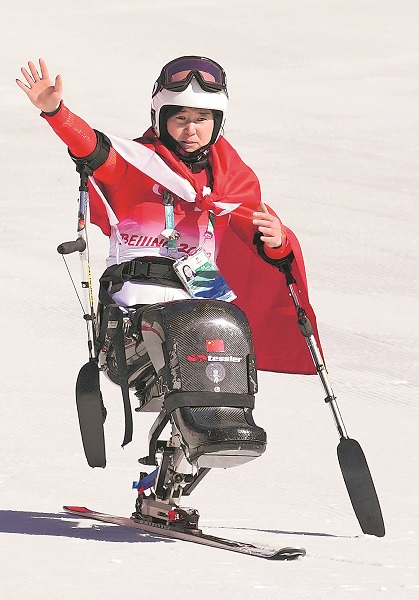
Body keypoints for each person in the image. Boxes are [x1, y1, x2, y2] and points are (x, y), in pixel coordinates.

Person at [16, 56, 319, 373]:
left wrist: (278, 242)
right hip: (136, 291)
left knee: (226, 362)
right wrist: (56, 113)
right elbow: (90, 146)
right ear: (160, 119)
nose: (191, 129)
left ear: (217, 122)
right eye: (180, 118)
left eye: (202, 119)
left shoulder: (231, 181)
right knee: (180, 351)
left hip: (202, 288)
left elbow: (265, 247)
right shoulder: (133, 163)